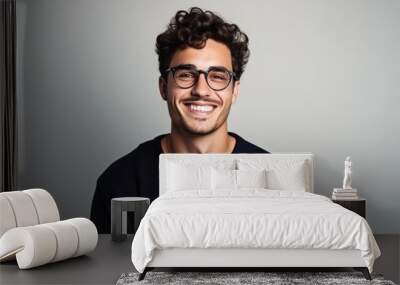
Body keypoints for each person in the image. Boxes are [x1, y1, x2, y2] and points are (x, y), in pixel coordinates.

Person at [90, 7, 269, 233]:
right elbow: (111, 267)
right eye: (186, 74)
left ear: (234, 91)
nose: (201, 90)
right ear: (164, 87)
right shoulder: (119, 182)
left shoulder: (269, 177)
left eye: (217, 76)